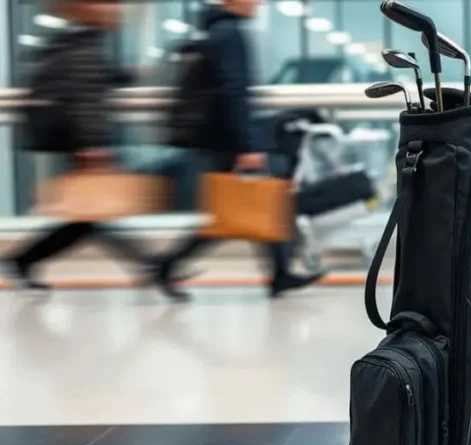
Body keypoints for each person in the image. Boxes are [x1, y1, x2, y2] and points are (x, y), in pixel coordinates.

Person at [154, 0, 322, 301]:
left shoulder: (215, 29)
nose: (257, 3)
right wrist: (248, 145)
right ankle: (167, 264)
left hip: (219, 136)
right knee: (240, 210)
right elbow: (235, 90)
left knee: (256, 205)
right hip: (228, 139)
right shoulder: (230, 33)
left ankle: (279, 273)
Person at [1, 0, 155, 291]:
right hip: (83, 144)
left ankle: (22, 260)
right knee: (89, 217)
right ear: (92, 9)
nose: (116, 10)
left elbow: (94, 83)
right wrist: (92, 145)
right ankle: (150, 265)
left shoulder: (80, 42)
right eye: (108, 4)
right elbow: (85, 99)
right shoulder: (85, 46)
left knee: (88, 218)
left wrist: (128, 75)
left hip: (77, 141)